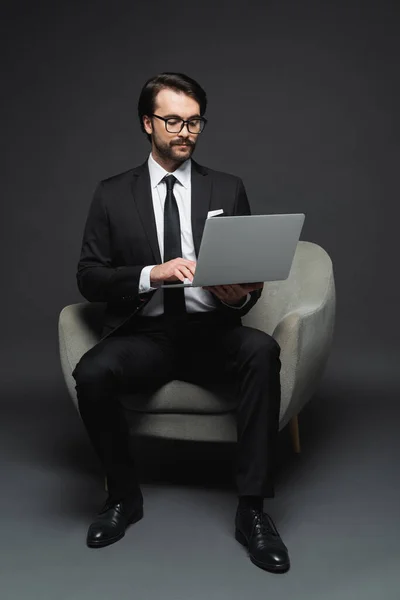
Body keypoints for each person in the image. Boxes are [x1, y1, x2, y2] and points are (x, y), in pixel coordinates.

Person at [72, 72, 290, 573]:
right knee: (91, 373)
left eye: (194, 122)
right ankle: (124, 497)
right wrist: (154, 272)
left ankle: (253, 511)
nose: (185, 131)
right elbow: (89, 278)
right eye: (173, 120)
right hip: (144, 335)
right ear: (148, 123)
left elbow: (247, 281)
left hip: (211, 333)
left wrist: (238, 295)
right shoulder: (110, 195)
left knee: (261, 350)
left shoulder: (228, 187)